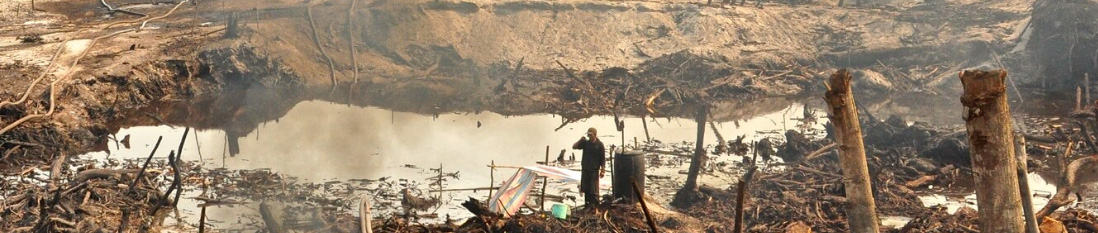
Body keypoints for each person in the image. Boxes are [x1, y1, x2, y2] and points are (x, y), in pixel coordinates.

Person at [572, 127, 606, 210]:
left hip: (594, 169)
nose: (589, 136)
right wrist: (581, 140)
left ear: (595, 135)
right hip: (585, 168)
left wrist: (603, 170)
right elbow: (574, 147)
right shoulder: (585, 143)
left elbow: (603, 158)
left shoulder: (599, 145)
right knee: (586, 188)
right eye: (588, 134)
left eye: (590, 135)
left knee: (593, 189)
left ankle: (595, 206)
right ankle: (587, 206)